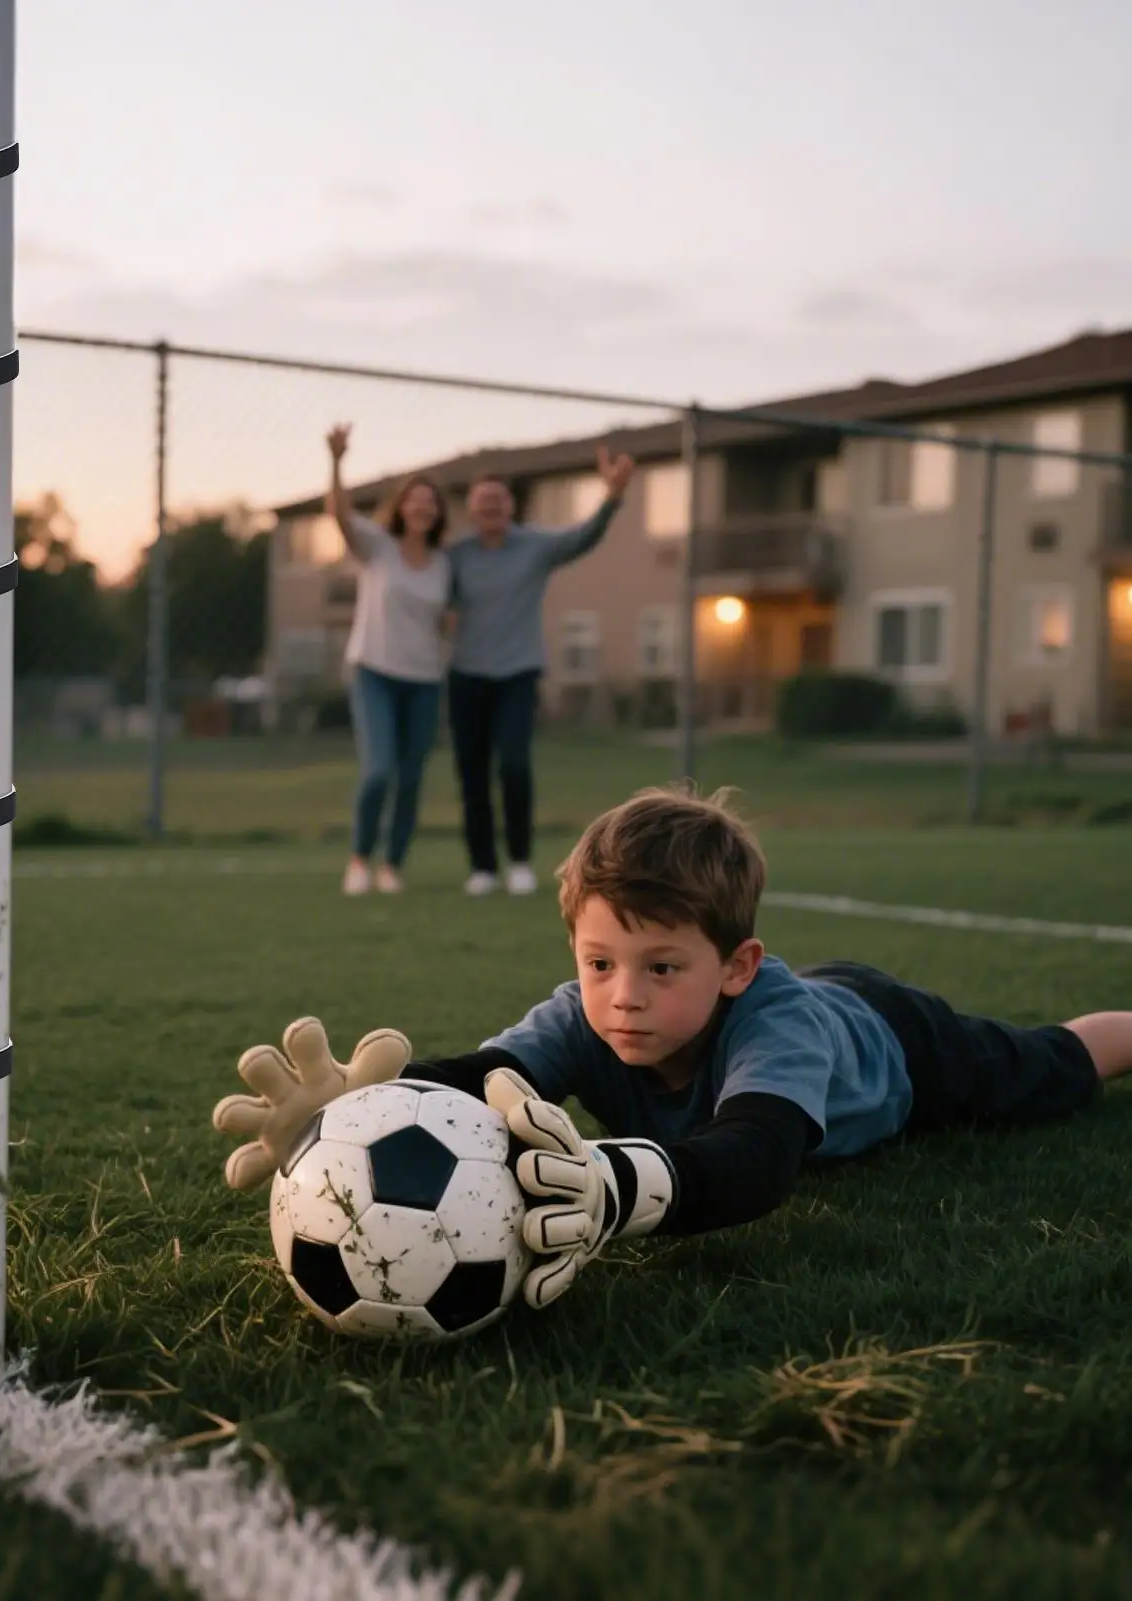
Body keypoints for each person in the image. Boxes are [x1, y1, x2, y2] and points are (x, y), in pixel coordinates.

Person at [211, 785, 1132, 1310]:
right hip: (829, 1008)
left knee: (1047, 1068)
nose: (623, 996)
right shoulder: (586, 1012)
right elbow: (482, 1080)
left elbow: (761, 1160)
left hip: (891, 1038)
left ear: (734, 966)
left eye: (660, 967)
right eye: (600, 960)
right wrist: (348, 1103)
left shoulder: (775, 1021)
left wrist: (616, 1188)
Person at [446, 447, 635, 898]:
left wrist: (612, 496)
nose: (491, 508)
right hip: (466, 676)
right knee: (472, 774)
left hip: (517, 672)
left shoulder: (535, 547)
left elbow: (584, 537)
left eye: (498, 500)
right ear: (471, 509)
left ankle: (519, 861)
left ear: (510, 506)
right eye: (482, 501)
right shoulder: (455, 557)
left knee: (513, 765)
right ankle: (482, 868)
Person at [324, 423, 451, 896]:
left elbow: (444, 616)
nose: (422, 506)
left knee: (411, 778)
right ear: (401, 506)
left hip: (423, 680)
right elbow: (338, 514)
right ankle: (360, 858)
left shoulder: (443, 563)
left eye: (430, 501)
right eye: (414, 499)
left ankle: (392, 864)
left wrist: (450, 626)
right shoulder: (377, 547)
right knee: (379, 770)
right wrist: (337, 460)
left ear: (437, 513)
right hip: (374, 672)